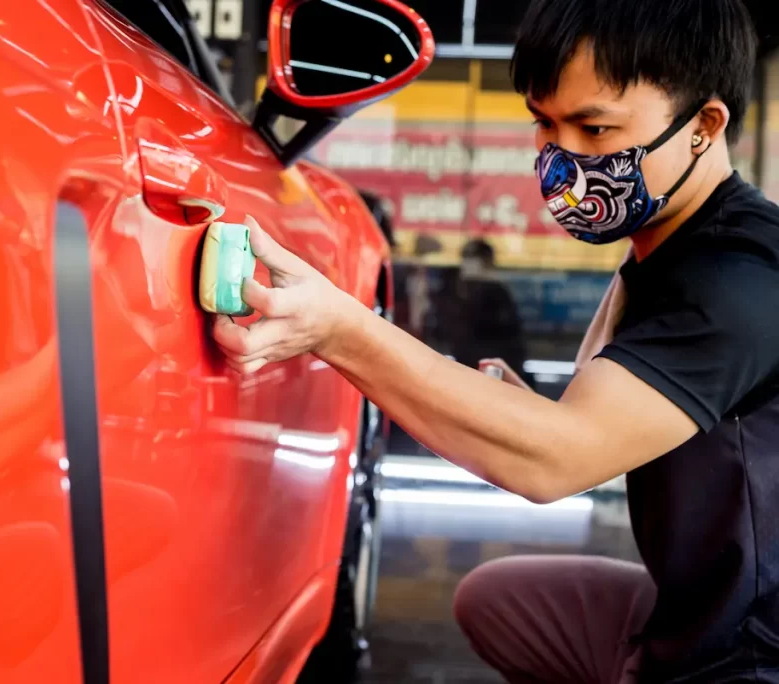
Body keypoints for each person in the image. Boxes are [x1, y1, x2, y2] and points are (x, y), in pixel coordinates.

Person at [211, 0, 779, 680]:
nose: (563, 155)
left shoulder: (741, 279)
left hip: (751, 653)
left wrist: (339, 326)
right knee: (500, 601)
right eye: (545, 121)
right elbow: (567, 432)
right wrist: (509, 416)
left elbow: (554, 460)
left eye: (595, 127)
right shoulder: (668, 249)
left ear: (703, 127)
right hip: (697, 612)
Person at [435, 238, 533, 389]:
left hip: (494, 376)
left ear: (487, 262)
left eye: (473, 258)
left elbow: (511, 341)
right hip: (463, 372)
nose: (468, 264)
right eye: (466, 258)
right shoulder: (453, 291)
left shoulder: (497, 293)